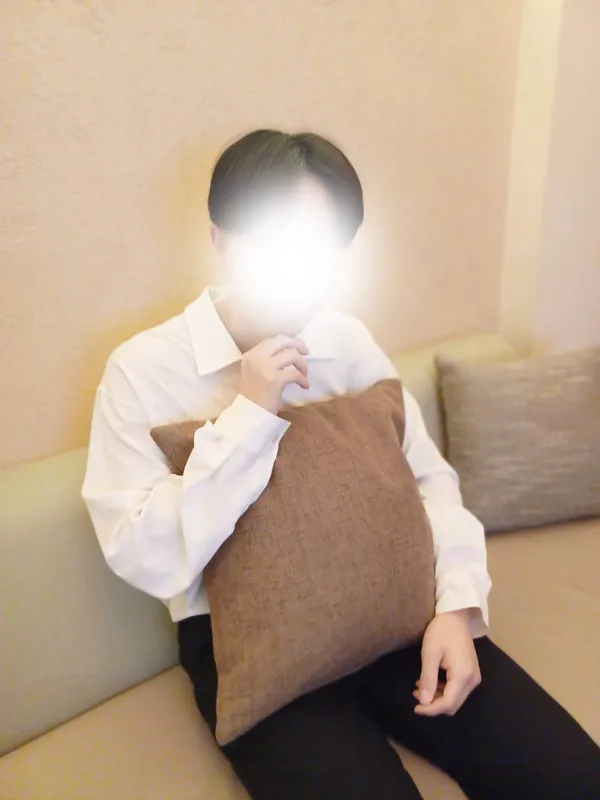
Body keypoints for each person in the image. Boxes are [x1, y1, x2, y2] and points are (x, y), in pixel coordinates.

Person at [82, 129, 600, 800]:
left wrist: (455, 607)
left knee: (573, 777)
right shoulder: (143, 370)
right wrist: (249, 415)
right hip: (254, 644)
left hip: (394, 602)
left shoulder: (344, 340)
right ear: (220, 239)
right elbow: (143, 554)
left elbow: (428, 481)